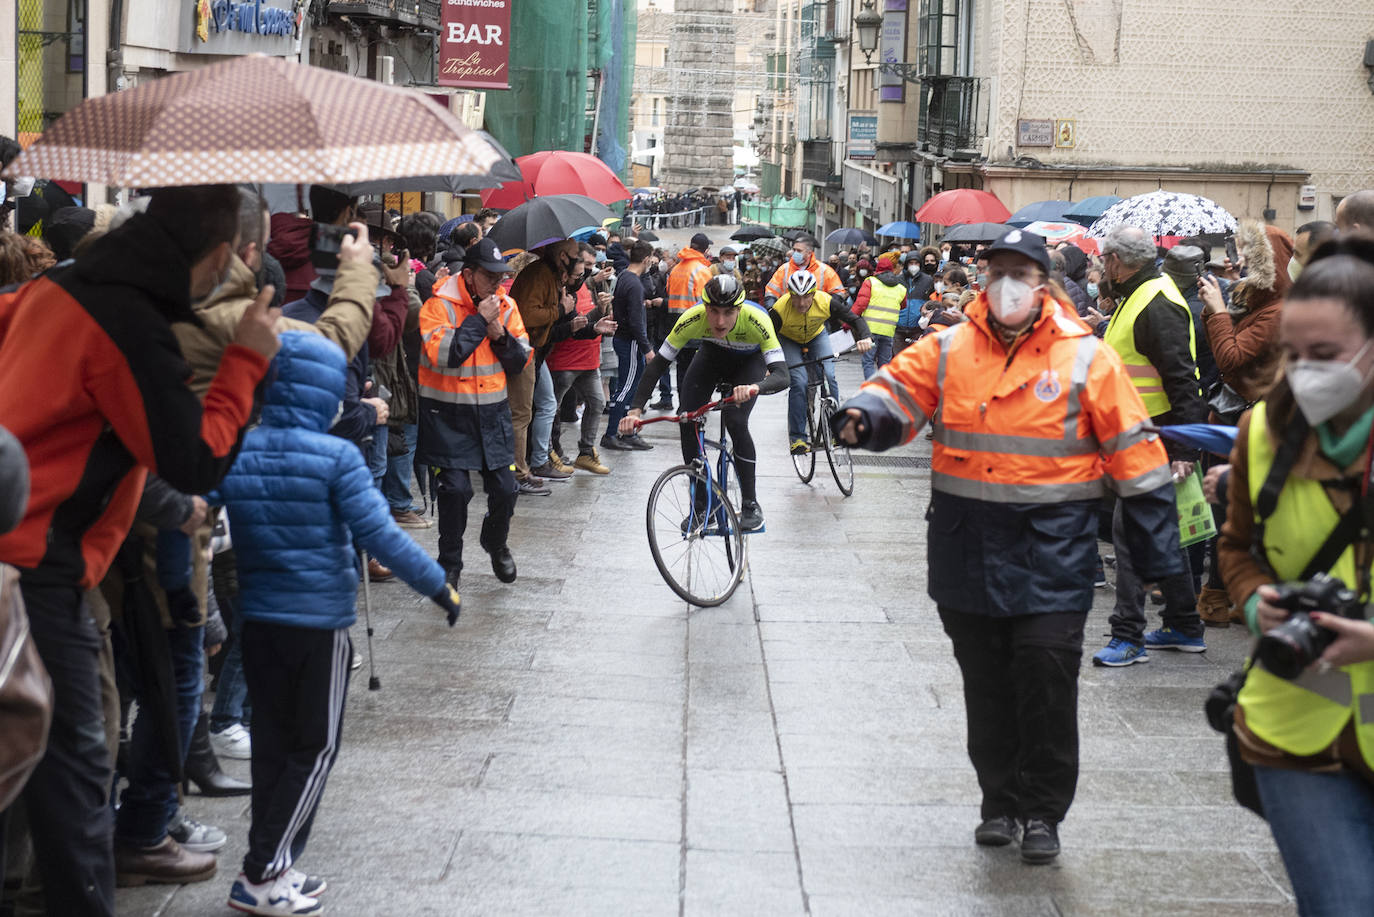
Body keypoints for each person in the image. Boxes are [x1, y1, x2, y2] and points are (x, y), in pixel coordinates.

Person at [832, 227, 1182, 864]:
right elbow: (896, 392)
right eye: (998, 271)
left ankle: (1043, 812)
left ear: (1043, 283)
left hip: (1054, 552)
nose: (1007, 284)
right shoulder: (949, 347)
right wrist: (865, 417)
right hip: (968, 549)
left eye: (1021, 272)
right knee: (987, 686)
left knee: (1045, 680)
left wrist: (1162, 565)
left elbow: (1139, 459)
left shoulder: (1085, 358)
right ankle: (999, 802)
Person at [0, 185, 279, 916]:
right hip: (36, 558)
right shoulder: (128, 323)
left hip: (33, 542)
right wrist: (248, 360)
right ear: (218, 256)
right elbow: (195, 457)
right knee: (73, 765)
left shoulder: (60, 282)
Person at [210, 331, 461, 916]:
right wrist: (438, 586)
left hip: (260, 621)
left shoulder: (242, 450)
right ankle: (262, 872)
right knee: (316, 747)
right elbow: (381, 537)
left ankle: (275, 865)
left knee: (273, 744)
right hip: (316, 625)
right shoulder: (337, 457)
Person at [1216, 235, 1374, 916]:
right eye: (1294, 353)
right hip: (1295, 723)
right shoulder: (1261, 434)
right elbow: (1237, 548)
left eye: (1327, 355)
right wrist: (1255, 603)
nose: (1305, 372)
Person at [1093, 224, 1209, 665]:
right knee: (1160, 537)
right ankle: (1184, 624)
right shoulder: (1140, 296)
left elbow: (1184, 380)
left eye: (1105, 259)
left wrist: (1184, 449)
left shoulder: (1156, 303)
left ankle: (1128, 636)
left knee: (1130, 536)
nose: (1103, 266)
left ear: (1118, 262)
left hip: (1153, 437)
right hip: (1140, 434)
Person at [620, 275, 788, 532]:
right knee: (687, 418)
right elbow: (658, 365)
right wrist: (635, 409)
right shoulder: (692, 318)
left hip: (748, 363)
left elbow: (782, 375)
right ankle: (701, 505)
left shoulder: (758, 320)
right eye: (713, 311)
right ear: (704, 307)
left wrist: (756, 387)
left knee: (736, 421)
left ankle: (751, 504)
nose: (720, 321)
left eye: (728, 312)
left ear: (739, 309)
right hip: (711, 356)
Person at [416, 238, 530, 591]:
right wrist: (481, 322)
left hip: (492, 413)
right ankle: (449, 563)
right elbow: (447, 354)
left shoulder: (506, 306)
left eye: (501, 277)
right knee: (454, 490)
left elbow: (519, 360)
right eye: (490, 276)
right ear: (468, 274)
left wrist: (499, 335)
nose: (498, 284)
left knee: (506, 487)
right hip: (447, 414)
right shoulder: (438, 306)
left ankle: (495, 543)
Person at [768, 269, 873, 454]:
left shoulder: (826, 301)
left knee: (830, 376)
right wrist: (769, 365)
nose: (801, 303)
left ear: (814, 294)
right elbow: (767, 337)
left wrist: (865, 337)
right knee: (799, 382)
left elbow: (855, 319)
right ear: (789, 295)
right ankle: (798, 438)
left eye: (807, 297)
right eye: (796, 297)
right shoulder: (779, 309)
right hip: (789, 339)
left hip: (817, 336)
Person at [603, 240, 656, 452]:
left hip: (626, 340)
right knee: (626, 389)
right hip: (631, 342)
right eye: (650, 259)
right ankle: (611, 434)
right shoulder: (633, 283)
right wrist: (647, 348)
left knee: (630, 388)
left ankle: (627, 432)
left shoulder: (625, 276)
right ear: (645, 259)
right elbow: (636, 321)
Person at [852, 253, 906, 377]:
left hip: (870, 331)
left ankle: (871, 389)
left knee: (868, 361)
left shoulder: (870, 282)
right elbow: (903, 305)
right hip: (889, 331)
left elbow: (860, 304)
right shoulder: (900, 288)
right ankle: (882, 389)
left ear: (877, 269)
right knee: (884, 363)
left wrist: (847, 322)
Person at [763, 235, 845, 308]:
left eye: (799, 251)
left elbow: (838, 293)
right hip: (788, 317)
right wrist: (771, 308)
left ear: (809, 253)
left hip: (817, 318)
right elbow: (771, 292)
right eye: (794, 250)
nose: (795, 253)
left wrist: (826, 309)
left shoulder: (824, 270)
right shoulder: (784, 269)